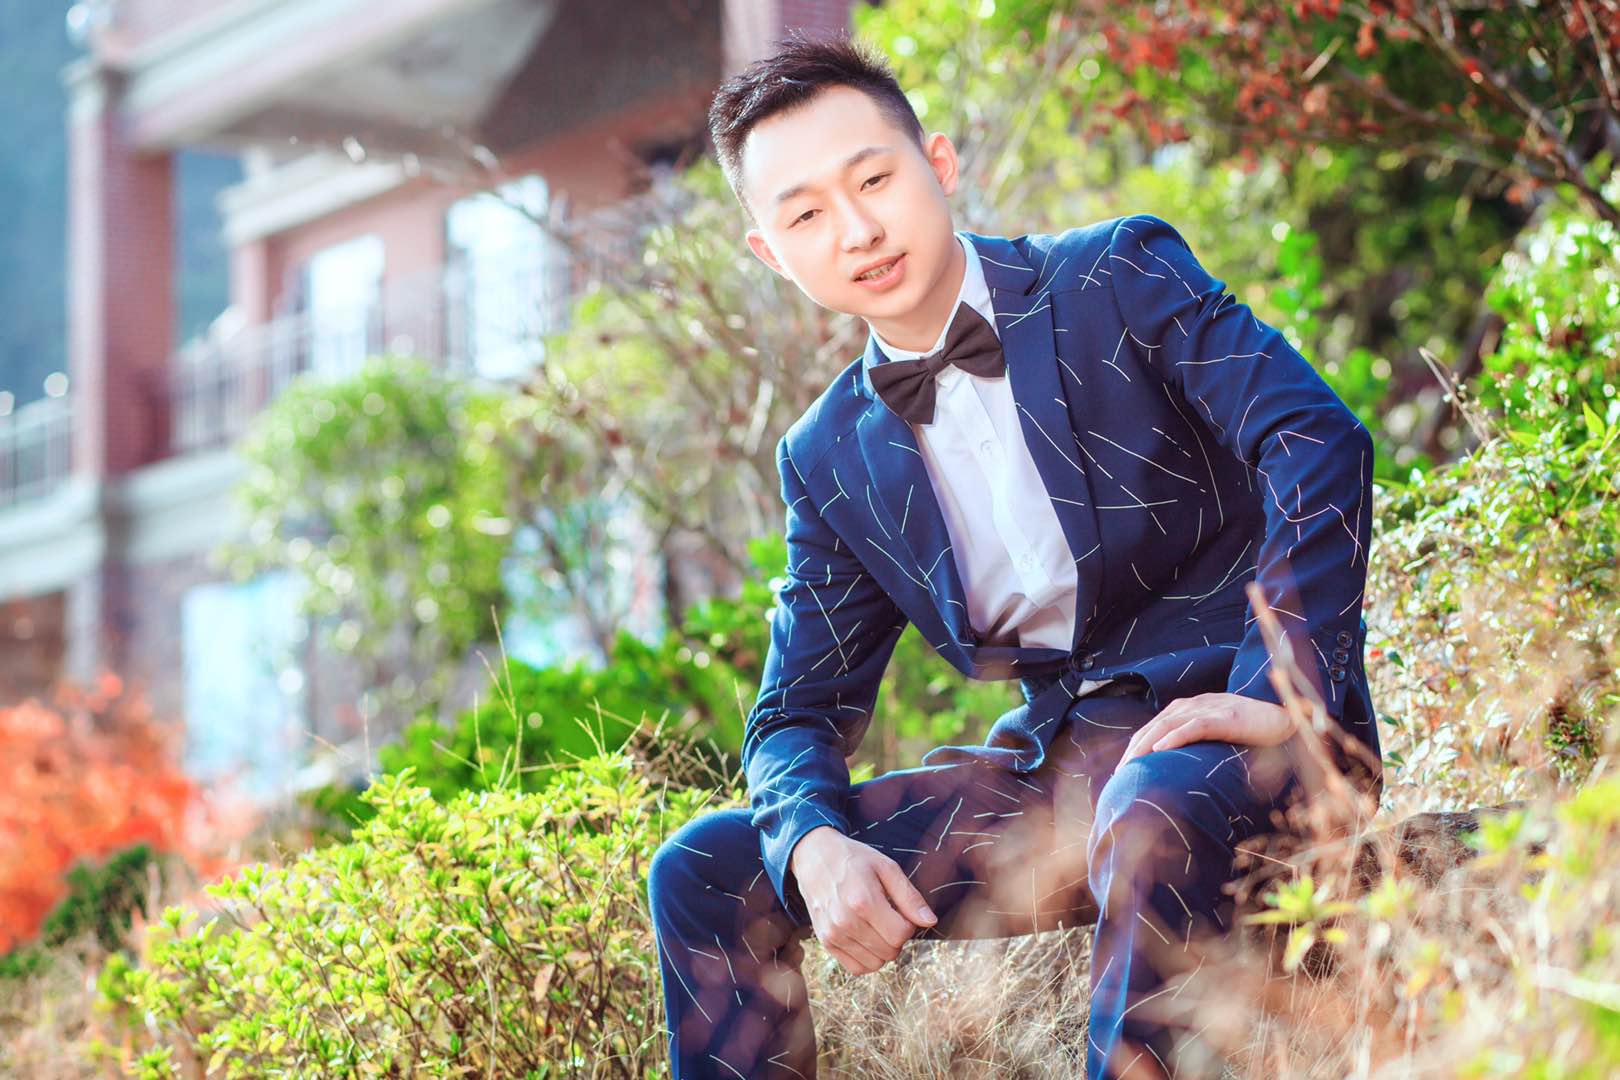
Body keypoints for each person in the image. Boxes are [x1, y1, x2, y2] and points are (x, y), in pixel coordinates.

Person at [647, 33, 1383, 1080]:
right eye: (807, 214)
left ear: (938, 165)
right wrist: (811, 842)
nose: (857, 230)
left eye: (874, 180)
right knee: (703, 869)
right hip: (1051, 780)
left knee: (1151, 809)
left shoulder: (1113, 276)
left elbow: (1314, 436)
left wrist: (1287, 692)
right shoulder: (828, 454)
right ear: (772, 254)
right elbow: (794, 712)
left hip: (1234, 734)